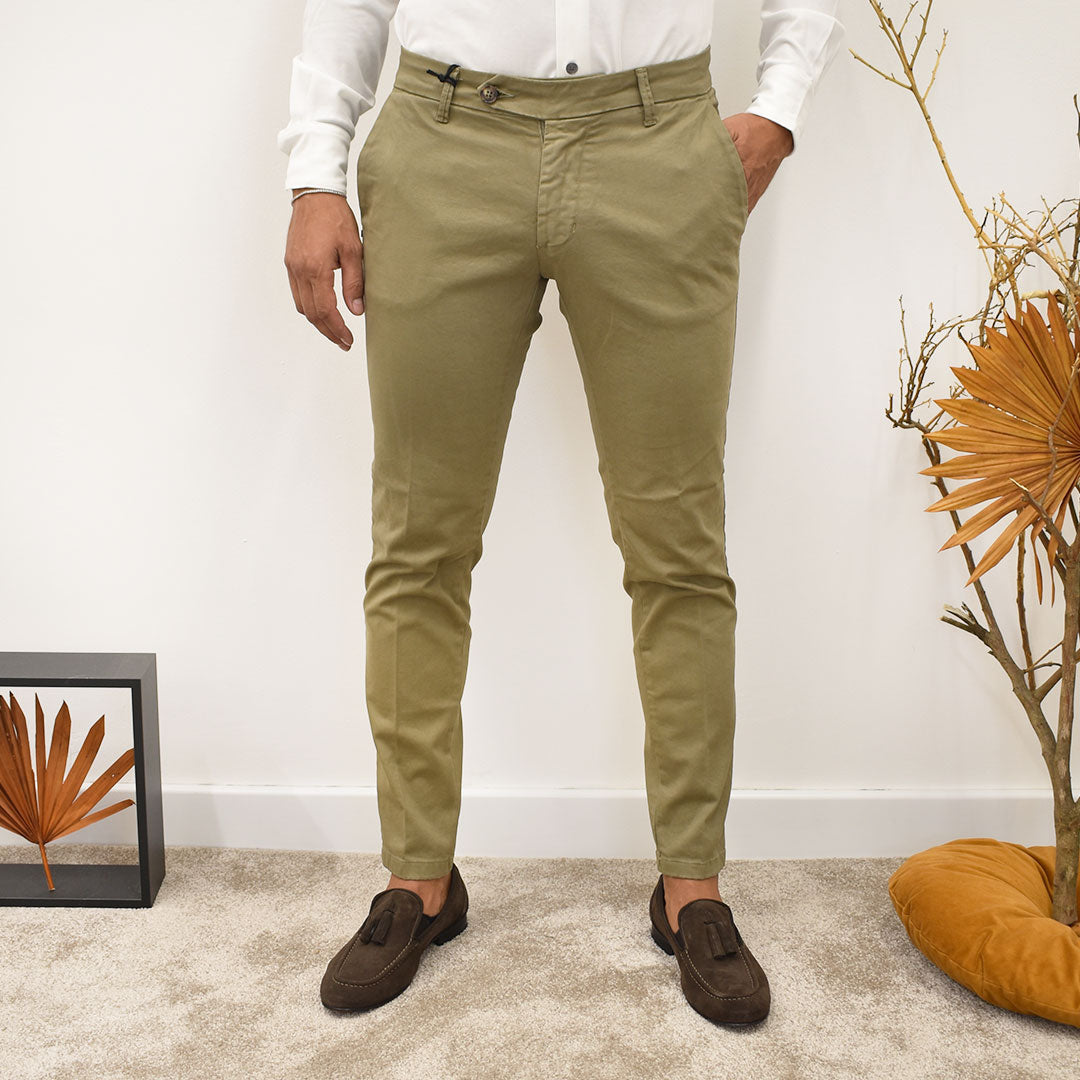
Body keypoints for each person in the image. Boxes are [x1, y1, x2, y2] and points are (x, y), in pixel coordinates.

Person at [278, 0, 844, 1025]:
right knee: (419, 542)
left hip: (658, 145)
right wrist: (317, 173)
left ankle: (692, 890)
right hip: (443, 145)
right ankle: (418, 879)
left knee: (678, 546)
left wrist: (781, 107)